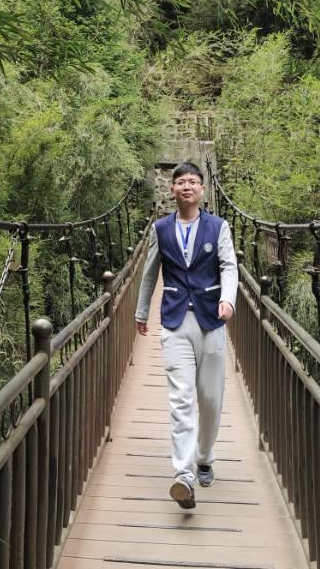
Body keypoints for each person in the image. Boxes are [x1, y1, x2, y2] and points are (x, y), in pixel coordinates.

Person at [134, 161, 238, 509]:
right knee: (181, 399)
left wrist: (227, 299)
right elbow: (150, 272)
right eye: (181, 182)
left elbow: (229, 266)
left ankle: (204, 457)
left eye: (193, 181)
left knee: (210, 398)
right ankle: (183, 474)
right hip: (175, 320)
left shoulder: (219, 227)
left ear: (202, 189)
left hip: (211, 319)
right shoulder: (161, 228)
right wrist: (141, 311)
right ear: (172, 189)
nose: (187, 186)